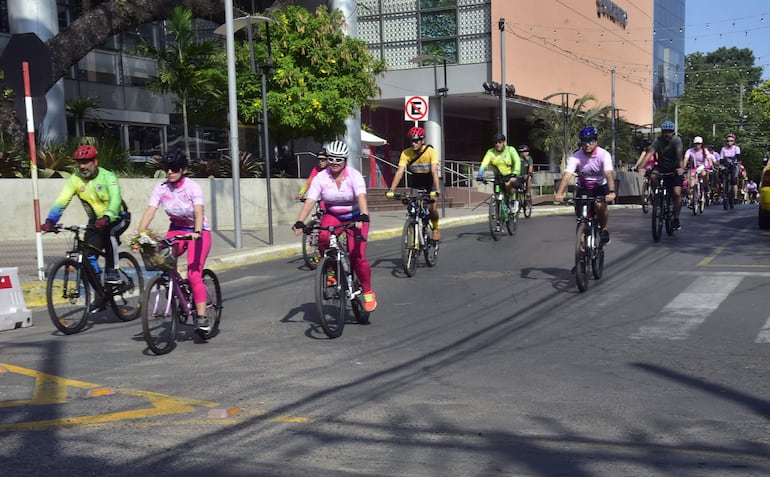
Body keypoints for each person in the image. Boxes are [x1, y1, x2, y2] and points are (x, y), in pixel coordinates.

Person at [292, 140, 377, 313]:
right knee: (323, 237)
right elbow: (310, 201)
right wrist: (300, 221)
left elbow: (361, 197)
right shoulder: (321, 178)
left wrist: (363, 214)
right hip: (334, 216)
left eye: (339, 159)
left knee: (357, 256)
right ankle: (330, 269)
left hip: (356, 216)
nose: (335, 163)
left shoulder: (354, 175)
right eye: (331, 159)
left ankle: (368, 291)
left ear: (345, 160)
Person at [137, 150, 213, 334]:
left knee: (194, 275)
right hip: (177, 229)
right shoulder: (161, 188)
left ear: (184, 170)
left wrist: (196, 231)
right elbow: (150, 211)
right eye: (166, 168)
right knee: (161, 260)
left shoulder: (192, 187)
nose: (170, 172)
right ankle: (179, 290)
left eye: (175, 169)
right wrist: (139, 234)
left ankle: (202, 318)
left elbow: (198, 211)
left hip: (198, 231)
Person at [41, 145, 130, 292]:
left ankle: (113, 271)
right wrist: (51, 220)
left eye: (86, 162)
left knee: (110, 234)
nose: (82, 166)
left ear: (95, 162)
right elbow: (62, 200)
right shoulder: (75, 179)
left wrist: (108, 216)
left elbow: (115, 199)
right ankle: (99, 291)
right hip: (96, 221)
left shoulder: (108, 177)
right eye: (79, 163)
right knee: (88, 254)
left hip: (118, 217)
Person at [554, 127, 616, 245]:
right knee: (582, 218)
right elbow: (567, 175)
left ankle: (604, 229)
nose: (587, 145)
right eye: (584, 142)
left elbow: (608, 174)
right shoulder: (576, 157)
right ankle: (581, 250)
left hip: (600, 187)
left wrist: (612, 192)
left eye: (590, 141)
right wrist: (559, 193)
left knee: (599, 205)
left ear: (596, 142)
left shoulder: (604, 155)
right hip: (583, 188)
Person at [386, 126, 442, 241]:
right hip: (416, 182)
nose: (414, 143)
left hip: (430, 182)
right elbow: (399, 172)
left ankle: (435, 228)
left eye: (416, 141)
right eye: (411, 140)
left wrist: (436, 189)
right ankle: (412, 235)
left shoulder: (431, 152)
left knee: (432, 209)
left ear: (423, 141)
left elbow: (434, 171)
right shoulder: (406, 153)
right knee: (412, 209)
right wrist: (391, 190)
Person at [638, 120, 685, 230]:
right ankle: (657, 196)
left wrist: (681, 168)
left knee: (677, 193)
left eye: (669, 132)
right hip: (662, 167)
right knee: (653, 175)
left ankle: (676, 218)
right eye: (664, 132)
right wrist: (642, 167)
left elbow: (679, 154)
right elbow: (650, 153)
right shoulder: (658, 140)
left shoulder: (676, 140)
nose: (666, 134)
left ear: (672, 132)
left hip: (675, 168)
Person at [475, 133, 522, 217]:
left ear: (504, 142)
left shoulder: (510, 150)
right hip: (498, 176)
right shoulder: (490, 152)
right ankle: (498, 217)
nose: (497, 144)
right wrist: (480, 174)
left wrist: (515, 173)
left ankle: (514, 201)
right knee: (497, 194)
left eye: (500, 142)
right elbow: (484, 163)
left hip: (510, 175)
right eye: (496, 142)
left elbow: (517, 161)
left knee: (509, 187)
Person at [683, 136, 714, 206]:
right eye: (696, 144)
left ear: (701, 144)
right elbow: (685, 159)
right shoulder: (690, 151)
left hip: (703, 167)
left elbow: (709, 160)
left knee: (704, 174)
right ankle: (691, 198)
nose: (697, 145)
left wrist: (710, 166)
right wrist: (683, 167)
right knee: (691, 182)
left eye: (699, 144)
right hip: (694, 168)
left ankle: (705, 187)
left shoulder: (705, 151)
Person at [632, 140, 656, 207]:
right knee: (645, 181)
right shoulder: (644, 152)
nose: (650, 147)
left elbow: (658, 159)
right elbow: (640, 160)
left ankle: (655, 192)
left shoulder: (655, 152)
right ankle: (645, 195)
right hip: (646, 169)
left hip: (654, 168)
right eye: (648, 146)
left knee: (654, 179)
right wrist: (635, 166)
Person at [720, 133, 741, 203]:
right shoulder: (723, 149)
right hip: (726, 165)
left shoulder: (736, 148)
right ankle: (724, 192)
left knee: (734, 181)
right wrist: (722, 165)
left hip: (734, 165)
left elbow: (738, 157)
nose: (729, 142)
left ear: (734, 141)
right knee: (723, 177)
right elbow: (721, 159)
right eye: (728, 141)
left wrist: (736, 162)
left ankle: (735, 196)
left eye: (731, 141)